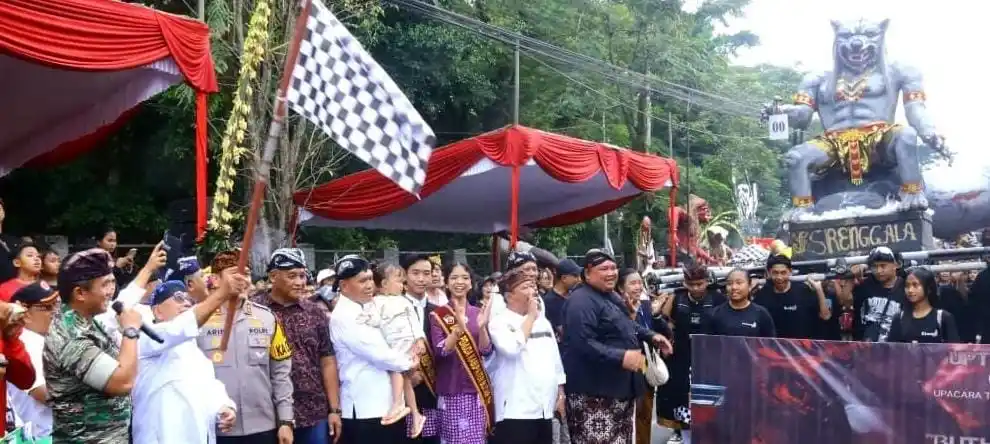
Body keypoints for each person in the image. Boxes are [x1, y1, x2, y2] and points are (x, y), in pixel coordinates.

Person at [561, 249, 672, 443]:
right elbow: (583, 343)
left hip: (620, 392)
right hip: (594, 395)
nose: (611, 273)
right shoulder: (580, 302)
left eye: (613, 268)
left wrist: (652, 335)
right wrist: (621, 357)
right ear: (587, 273)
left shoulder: (610, 296)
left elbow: (627, 324)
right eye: (604, 268)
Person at [131, 273, 245, 443]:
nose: (186, 302)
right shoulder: (143, 340)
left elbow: (210, 386)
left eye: (188, 299)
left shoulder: (195, 352)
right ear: (158, 311)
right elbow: (178, 329)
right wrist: (221, 294)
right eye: (177, 297)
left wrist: (224, 407)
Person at [43, 247, 143, 442]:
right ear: (80, 293)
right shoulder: (69, 334)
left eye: (113, 282)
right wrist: (131, 331)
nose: (111, 291)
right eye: (105, 284)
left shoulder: (87, 320)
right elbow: (122, 382)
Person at [197, 250, 295, 444]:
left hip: (263, 425)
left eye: (247, 273)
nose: (242, 279)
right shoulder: (198, 321)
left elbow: (281, 373)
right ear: (215, 280)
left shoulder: (267, 318)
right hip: (215, 427)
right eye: (235, 274)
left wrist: (285, 420)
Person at [254, 248, 342, 443]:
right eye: (292, 276)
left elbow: (327, 360)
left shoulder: (314, 312)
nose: (300, 282)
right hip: (268, 415)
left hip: (313, 411)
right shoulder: (255, 311)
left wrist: (334, 409)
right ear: (273, 276)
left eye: (303, 276)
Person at [330, 254, 416, 443]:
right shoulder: (345, 316)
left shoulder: (367, 307)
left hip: (382, 405)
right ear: (344, 286)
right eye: (362, 281)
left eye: (370, 278)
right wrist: (410, 361)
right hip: (365, 407)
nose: (369, 285)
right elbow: (380, 354)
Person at [488, 268, 565, 444]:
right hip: (516, 409)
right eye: (526, 287)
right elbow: (512, 348)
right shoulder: (499, 322)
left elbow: (555, 359)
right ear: (509, 295)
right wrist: (530, 316)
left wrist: (560, 393)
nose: (533, 291)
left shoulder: (543, 322)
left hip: (544, 407)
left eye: (533, 286)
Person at [654, 264, 724, 444]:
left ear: (707, 282)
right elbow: (665, 321)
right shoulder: (677, 299)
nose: (695, 288)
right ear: (685, 283)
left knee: (709, 397)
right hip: (682, 356)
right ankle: (680, 431)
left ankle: (711, 431)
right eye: (691, 284)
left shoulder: (717, 299)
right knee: (681, 394)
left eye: (699, 283)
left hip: (710, 357)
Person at [429, 261, 494, 443]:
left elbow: (486, 350)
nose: (460, 282)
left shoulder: (477, 312)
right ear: (446, 283)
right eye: (454, 277)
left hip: (476, 390)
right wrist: (458, 330)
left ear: (471, 283)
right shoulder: (438, 314)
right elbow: (441, 351)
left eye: (465, 278)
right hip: (451, 389)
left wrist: (481, 328)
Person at [368, 261, 428, 436]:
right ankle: (415, 414)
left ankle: (398, 404)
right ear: (384, 284)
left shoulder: (405, 302)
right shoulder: (376, 302)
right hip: (391, 345)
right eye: (399, 281)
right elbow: (372, 321)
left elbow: (415, 323)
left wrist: (420, 340)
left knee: (397, 371)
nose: (403, 286)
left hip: (405, 344)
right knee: (405, 379)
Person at [401, 253, 441, 443]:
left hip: (431, 393)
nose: (421, 278)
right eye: (415, 273)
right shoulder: (392, 308)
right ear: (404, 275)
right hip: (402, 393)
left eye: (426, 273)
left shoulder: (439, 312)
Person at [6, 283, 55, 439]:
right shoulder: (26, 343)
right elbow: (43, 393)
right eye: (47, 307)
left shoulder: (43, 339)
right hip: (42, 437)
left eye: (56, 305)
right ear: (25, 314)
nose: (55, 312)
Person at [751, 254, 829, 339]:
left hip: (803, 347)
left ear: (790, 271)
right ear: (769, 273)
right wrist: (749, 289)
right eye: (775, 273)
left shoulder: (803, 290)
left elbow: (825, 316)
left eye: (783, 272)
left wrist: (819, 289)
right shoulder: (763, 294)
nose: (779, 277)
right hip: (775, 347)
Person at [887, 267, 960, 343]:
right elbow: (891, 350)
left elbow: (954, 350)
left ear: (928, 289)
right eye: (907, 286)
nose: (910, 290)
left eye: (915, 285)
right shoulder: (899, 318)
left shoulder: (943, 318)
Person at [854, 247, 906, 342]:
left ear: (896, 265)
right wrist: (851, 276)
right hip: (865, 349)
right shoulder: (865, 285)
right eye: (874, 266)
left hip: (896, 349)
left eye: (883, 266)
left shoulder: (907, 287)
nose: (878, 271)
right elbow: (846, 300)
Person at [710, 268, 776, 337]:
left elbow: (770, 344)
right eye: (729, 283)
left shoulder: (761, 314)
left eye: (739, 283)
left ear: (750, 286)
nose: (734, 287)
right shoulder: (715, 314)